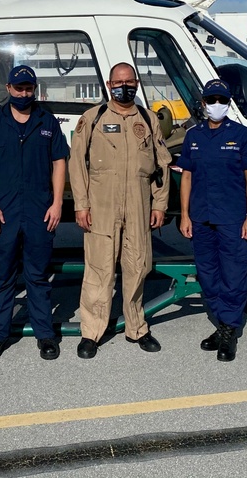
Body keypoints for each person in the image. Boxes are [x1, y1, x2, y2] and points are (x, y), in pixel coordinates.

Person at [68, 62, 171, 358]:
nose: (123, 86)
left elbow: (161, 165)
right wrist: (82, 205)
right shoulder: (93, 117)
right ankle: (91, 332)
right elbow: (77, 164)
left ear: (136, 83)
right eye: (117, 82)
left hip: (138, 204)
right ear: (109, 84)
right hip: (101, 206)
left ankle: (136, 327)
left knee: (138, 266)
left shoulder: (148, 119)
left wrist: (160, 204)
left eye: (128, 81)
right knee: (99, 270)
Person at [0, 65, 69, 361]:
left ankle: (45, 334)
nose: (24, 93)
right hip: (5, 210)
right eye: (19, 88)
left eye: (29, 88)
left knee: (38, 276)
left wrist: (57, 203)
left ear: (34, 89)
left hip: (40, 210)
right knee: (2, 276)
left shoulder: (47, 121)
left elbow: (59, 162)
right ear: (9, 89)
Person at [177, 78, 247, 362]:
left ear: (228, 103)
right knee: (208, 275)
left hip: (233, 218)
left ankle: (228, 329)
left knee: (234, 275)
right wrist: (185, 215)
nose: (216, 105)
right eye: (211, 100)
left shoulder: (241, 135)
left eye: (221, 100)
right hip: (201, 218)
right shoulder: (194, 136)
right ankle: (222, 321)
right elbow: (186, 177)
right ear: (203, 104)